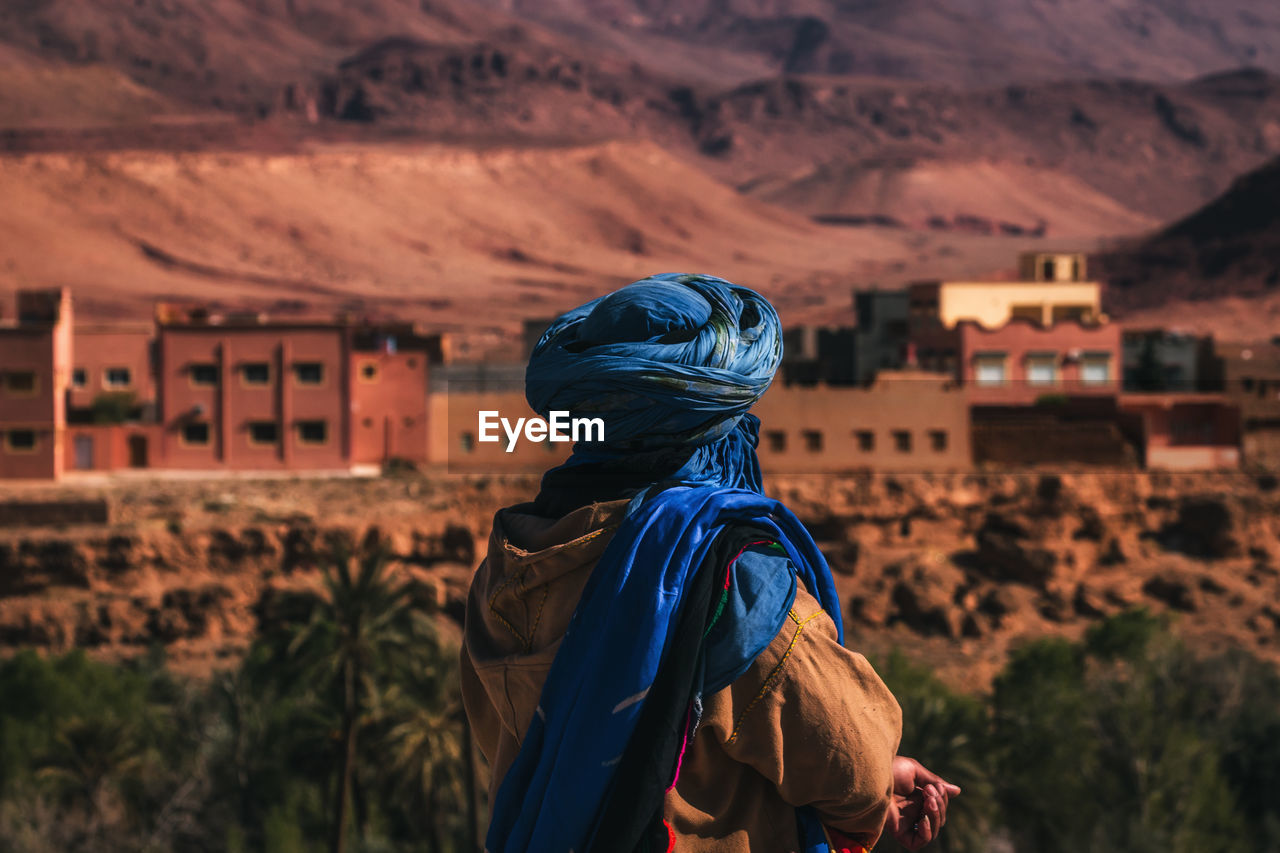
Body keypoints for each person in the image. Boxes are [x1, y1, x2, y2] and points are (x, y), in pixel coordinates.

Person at [461, 273, 960, 853]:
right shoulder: (727, 580)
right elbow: (852, 764)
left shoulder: (506, 568)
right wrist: (880, 801)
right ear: (712, 434)